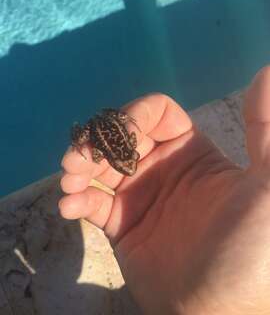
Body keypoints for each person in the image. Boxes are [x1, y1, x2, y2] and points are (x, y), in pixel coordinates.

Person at [59, 66, 270, 314]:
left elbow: (105, 149)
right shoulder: (112, 149)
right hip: (101, 125)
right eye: (123, 164)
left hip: (108, 125)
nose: (129, 168)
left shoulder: (121, 150)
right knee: (90, 140)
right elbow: (99, 149)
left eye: (130, 160)